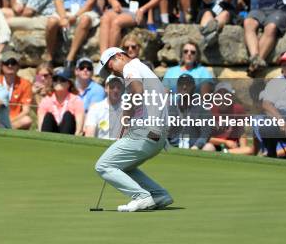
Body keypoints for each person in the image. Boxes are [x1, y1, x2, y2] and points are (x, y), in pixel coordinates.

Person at [96, 47, 172, 212]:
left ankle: (141, 197)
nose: (112, 73)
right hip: (158, 136)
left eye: (110, 67)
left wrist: (126, 116)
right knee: (125, 166)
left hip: (146, 132)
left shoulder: (130, 68)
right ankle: (158, 194)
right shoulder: (144, 69)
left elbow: (137, 91)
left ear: (118, 56)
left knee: (103, 165)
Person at [203, 82, 253, 154]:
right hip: (215, 144)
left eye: (226, 94)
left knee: (249, 150)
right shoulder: (209, 110)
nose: (222, 97)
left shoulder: (238, 109)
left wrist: (243, 147)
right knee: (207, 148)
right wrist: (226, 142)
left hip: (232, 147)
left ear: (231, 96)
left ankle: (224, 153)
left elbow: (241, 132)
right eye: (219, 94)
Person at [167, 74, 211, 150]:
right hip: (172, 147)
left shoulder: (202, 108)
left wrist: (196, 146)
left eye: (188, 84)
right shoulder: (171, 108)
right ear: (177, 87)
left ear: (194, 88)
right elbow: (162, 130)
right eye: (181, 84)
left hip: (194, 147)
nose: (184, 87)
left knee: (209, 147)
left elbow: (205, 133)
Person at [37, 67, 84, 134]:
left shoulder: (76, 100)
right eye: (55, 80)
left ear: (69, 83)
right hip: (51, 132)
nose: (58, 82)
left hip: (69, 135)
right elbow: (40, 128)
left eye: (62, 80)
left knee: (68, 115)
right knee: (48, 116)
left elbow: (79, 130)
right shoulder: (46, 100)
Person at [0, 51, 33, 130]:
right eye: (6, 63)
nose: (10, 65)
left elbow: (26, 111)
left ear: (18, 66)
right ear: (1, 66)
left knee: (27, 120)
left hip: (14, 119)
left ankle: (3, 129)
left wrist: (9, 121)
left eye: (13, 63)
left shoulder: (25, 84)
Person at [84, 75, 123, 139]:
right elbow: (89, 134)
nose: (115, 90)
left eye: (118, 87)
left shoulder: (128, 109)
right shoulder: (95, 108)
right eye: (112, 87)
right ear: (106, 88)